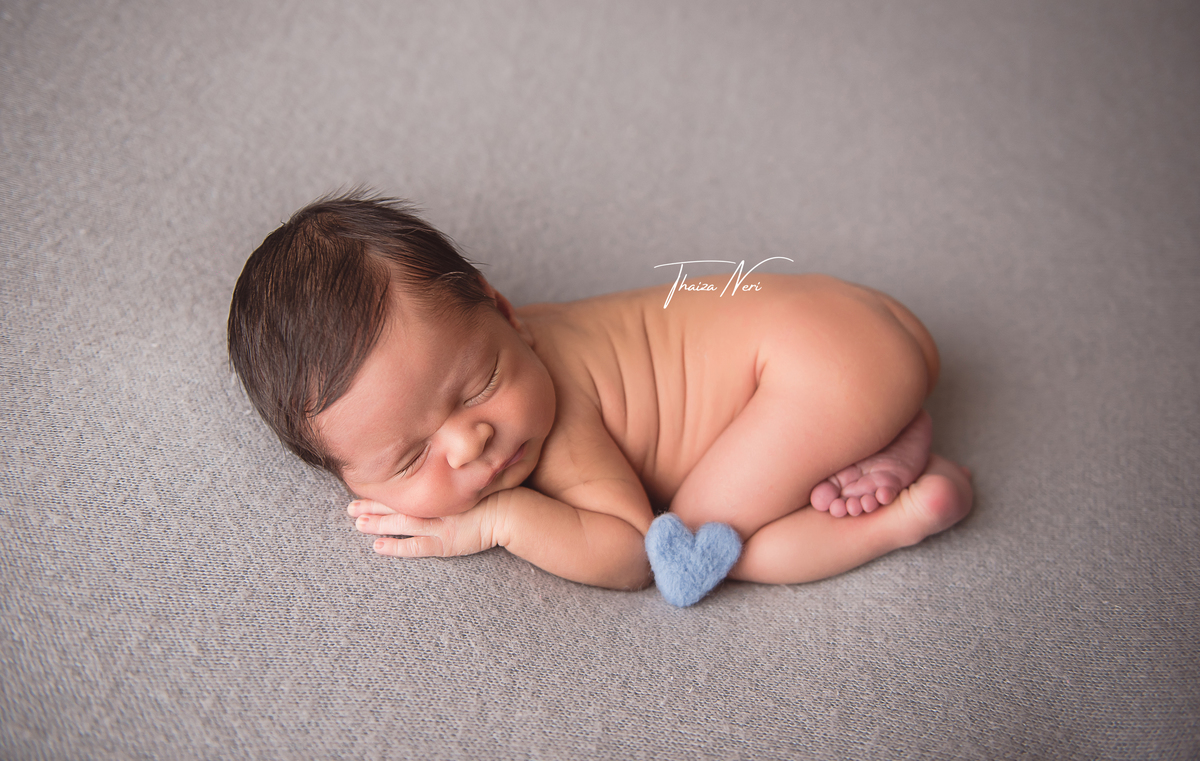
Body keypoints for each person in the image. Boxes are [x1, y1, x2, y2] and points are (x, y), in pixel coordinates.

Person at [228, 192, 973, 606]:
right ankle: (883, 430)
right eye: (411, 455)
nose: (470, 443)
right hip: (857, 323)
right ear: (344, 476)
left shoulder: (558, 413)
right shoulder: (504, 336)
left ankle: (911, 510)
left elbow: (627, 553)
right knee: (737, 497)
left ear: (504, 310)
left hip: (819, 366)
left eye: (480, 383)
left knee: (698, 548)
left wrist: (498, 517)